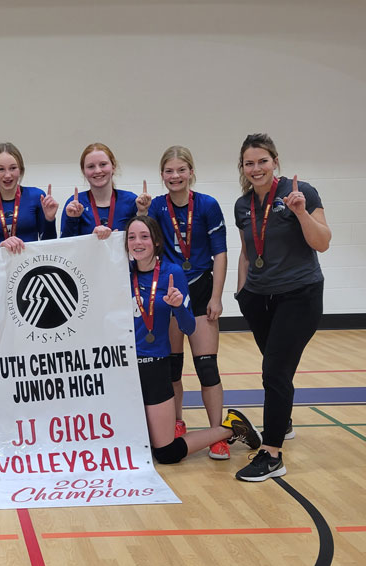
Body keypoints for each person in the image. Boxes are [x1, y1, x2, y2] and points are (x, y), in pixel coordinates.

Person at [232, 133, 331, 481]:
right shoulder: (242, 205)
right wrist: (241, 293)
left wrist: (301, 212)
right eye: (249, 163)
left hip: (299, 296)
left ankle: (272, 453)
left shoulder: (300, 193)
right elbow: (247, 252)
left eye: (263, 161)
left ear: (275, 161)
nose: (256, 168)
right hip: (258, 299)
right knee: (277, 369)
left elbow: (323, 242)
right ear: (242, 167)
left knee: (274, 372)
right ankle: (282, 418)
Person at [124, 216, 261, 465]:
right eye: (131, 237)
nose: (137, 242)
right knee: (130, 446)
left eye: (144, 236)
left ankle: (231, 427)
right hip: (125, 369)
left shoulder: (172, 273)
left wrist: (178, 307)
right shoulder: (121, 273)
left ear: (156, 241)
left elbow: (188, 327)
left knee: (166, 453)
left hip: (155, 367)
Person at [139, 146, 229, 459]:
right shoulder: (157, 208)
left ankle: (218, 431)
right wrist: (141, 212)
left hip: (202, 291)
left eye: (181, 170)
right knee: (172, 370)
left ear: (191, 171)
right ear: (162, 175)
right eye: (168, 171)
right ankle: (177, 423)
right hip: (172, 292)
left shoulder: (207, 205)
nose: (175, 176)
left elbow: (220, 253)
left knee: (207, 367)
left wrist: (216, 296)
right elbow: (143, 245)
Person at [0, 142, 58, 256]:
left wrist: (49, 220)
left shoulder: (36, 196)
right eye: (1, 169)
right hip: (0, 269)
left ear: (20, 169)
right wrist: (0, 245)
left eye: (13, 168)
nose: (7, 175)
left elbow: (50, 245)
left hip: (31, 269)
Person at [61, 142, 138, 238]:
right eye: (91, 166)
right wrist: (72, 220)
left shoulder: (131, 200)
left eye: (103, 164)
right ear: (84, 171)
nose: (97, 171)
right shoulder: (75, 204)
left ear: (113, 167)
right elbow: (66, 247)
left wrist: (143, 212)